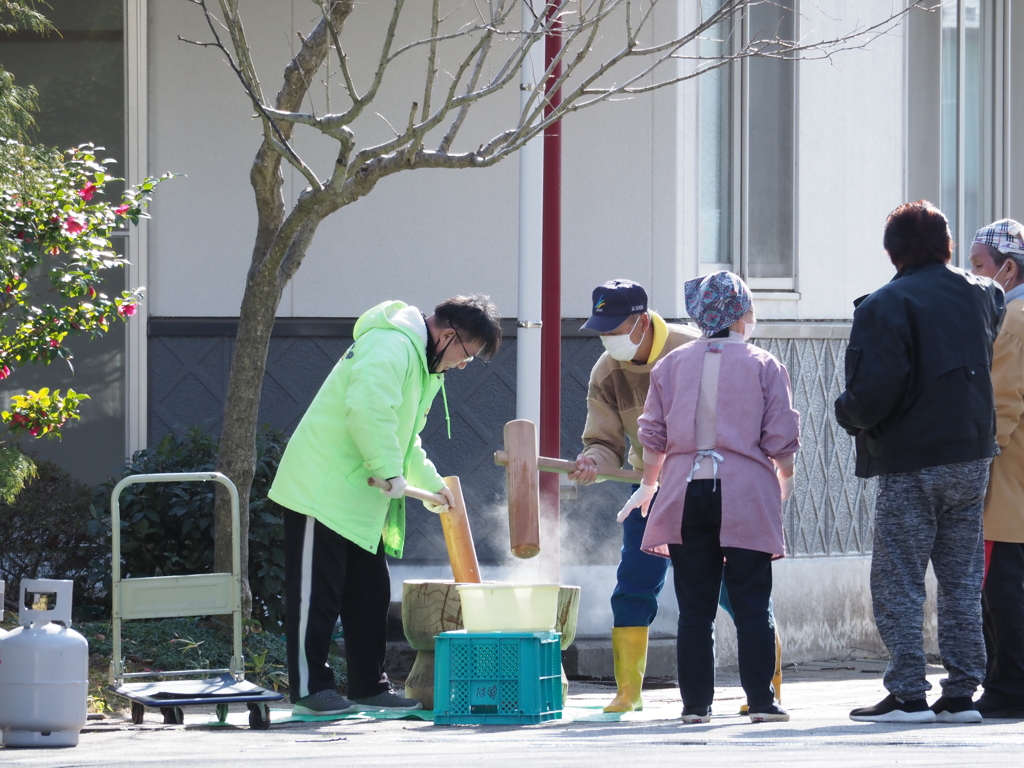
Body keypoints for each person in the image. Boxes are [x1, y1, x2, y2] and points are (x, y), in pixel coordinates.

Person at [269, 295, 502, 716]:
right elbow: (367, 410)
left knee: (369, 593)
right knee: (315, 596)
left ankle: (368, 687)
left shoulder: (425, 368)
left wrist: (433, 486)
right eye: (467, 354)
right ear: (448, 335)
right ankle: (308, 690)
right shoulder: (391, 344)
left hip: (358, 495)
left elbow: (404, 438)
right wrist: (387, 469)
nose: (464, 365)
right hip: (319, 489)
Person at [836, 201, 1004, 724]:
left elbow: (871, 394)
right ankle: (960, 693)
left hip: (911, 460)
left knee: (899, 578)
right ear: (947, 243)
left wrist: (846, 412)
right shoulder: (986, 294)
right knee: (960, 578)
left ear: (893, 250)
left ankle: (908, 692)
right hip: (972, 454)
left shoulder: (885, 304)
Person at [635, 271, 799, 724]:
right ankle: (762, 703)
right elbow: (780, 436)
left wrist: (650, 484)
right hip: (744, 490)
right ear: (742, 313)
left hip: (685, 490)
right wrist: (784, 477)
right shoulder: (764, 363)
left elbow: (653, 436)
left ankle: (695, 706)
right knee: (751, 603)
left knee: (695, 609)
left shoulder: (670, 365)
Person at [569, 279, 700, 712]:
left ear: (643, 321)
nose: (609, 338)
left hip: (704, 484)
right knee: (633, 584)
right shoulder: (607, 370)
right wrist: (592, 460)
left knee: (727, 587)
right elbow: (604, 443)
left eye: (616, 327)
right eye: (602, 329)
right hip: (645, 486)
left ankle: (766, 684)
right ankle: (628, 691)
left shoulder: (693, 348)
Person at [967, 218, 1024, 719]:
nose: (974, 276)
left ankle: (1009, 688)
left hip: (1009, 481)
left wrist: (977, 461)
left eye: (979, 266)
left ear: (1007, 269)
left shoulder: (1012, 319)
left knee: (1003, 587)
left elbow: (1001, 405)